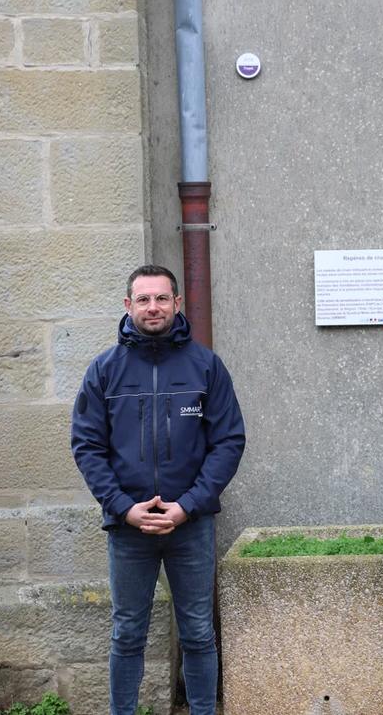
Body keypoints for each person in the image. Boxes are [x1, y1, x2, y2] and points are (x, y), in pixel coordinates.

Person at [71, 264, 246, 715]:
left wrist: (188, 505)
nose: (154, 307)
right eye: (144, 299)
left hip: (190, 525)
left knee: (198, 632)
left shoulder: (205, 366)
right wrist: (123, 507)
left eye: (162, 298)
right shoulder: (104, 370)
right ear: (128, 305)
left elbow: (228, 442)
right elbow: (87, 446)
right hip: (129, 528)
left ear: (177, 303)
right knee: (128, 633)